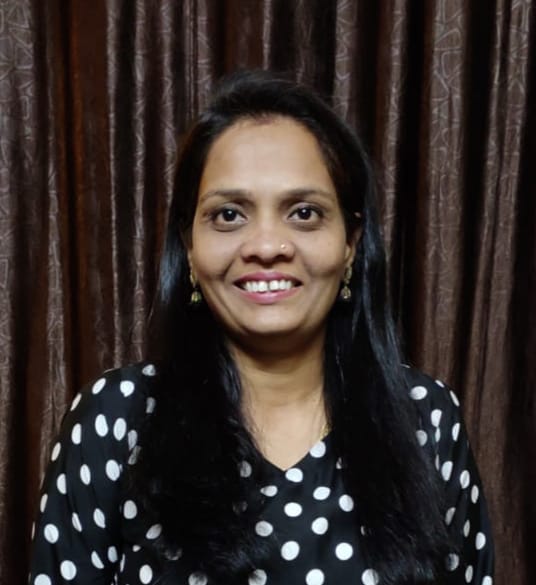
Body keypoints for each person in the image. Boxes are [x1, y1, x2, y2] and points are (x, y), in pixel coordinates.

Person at [29, 70, 494, 585]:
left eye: (304, 212)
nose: (267, 246)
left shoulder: (427, 421)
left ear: (351, 244)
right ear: (189, 246)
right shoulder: (119, 418)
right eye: (229, 215)